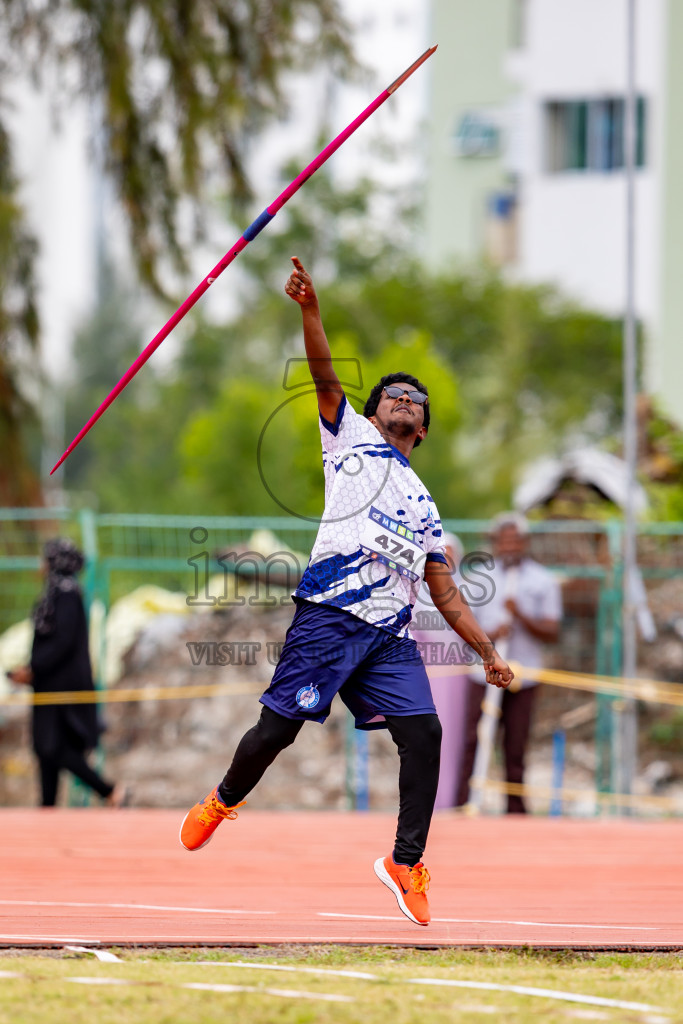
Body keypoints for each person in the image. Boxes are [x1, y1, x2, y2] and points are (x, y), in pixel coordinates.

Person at [180, 257, 513, 927]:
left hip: (387, 635)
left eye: (411, 400)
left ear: (421, 429)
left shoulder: (425, 504)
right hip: (329, 618)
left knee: (425, 733)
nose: (400, 398)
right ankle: (221, 800)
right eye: (390, 393)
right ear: (371, 412)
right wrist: (310, 312)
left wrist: (483, 653)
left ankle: (404, 861)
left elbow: (443, 592)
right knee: (277, 731)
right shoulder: (349, 437)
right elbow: (324, 374)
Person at [7, 538, 125, 808]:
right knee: (44, 748)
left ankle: (109, 791)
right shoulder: (54, 592)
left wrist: (34, 668)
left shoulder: (67, 593)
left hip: (63, 686)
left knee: (54, 747)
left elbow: (63, 641)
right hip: (48, 683)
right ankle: (47, 806)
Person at [456, 512, 562, 814]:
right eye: (505, 540)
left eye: (516, 540)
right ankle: (465, 803)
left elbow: (552, 631)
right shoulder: (478, 577)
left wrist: (521, 616)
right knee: (473, 740)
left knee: (516, 744)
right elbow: (461, 625)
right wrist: (489, 636)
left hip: (524, 675)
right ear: (496, 543)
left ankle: (515, 810)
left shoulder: (543, 580)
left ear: (525, 543)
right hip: (482, 674)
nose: (510, 546)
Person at [410, 533, 469, 810]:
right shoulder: (416, 590)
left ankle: (448, 801)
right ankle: (423, 803)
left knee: (453, 740)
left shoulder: (465, 589)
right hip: (423, 677)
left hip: (457, 679)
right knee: (423, 738)